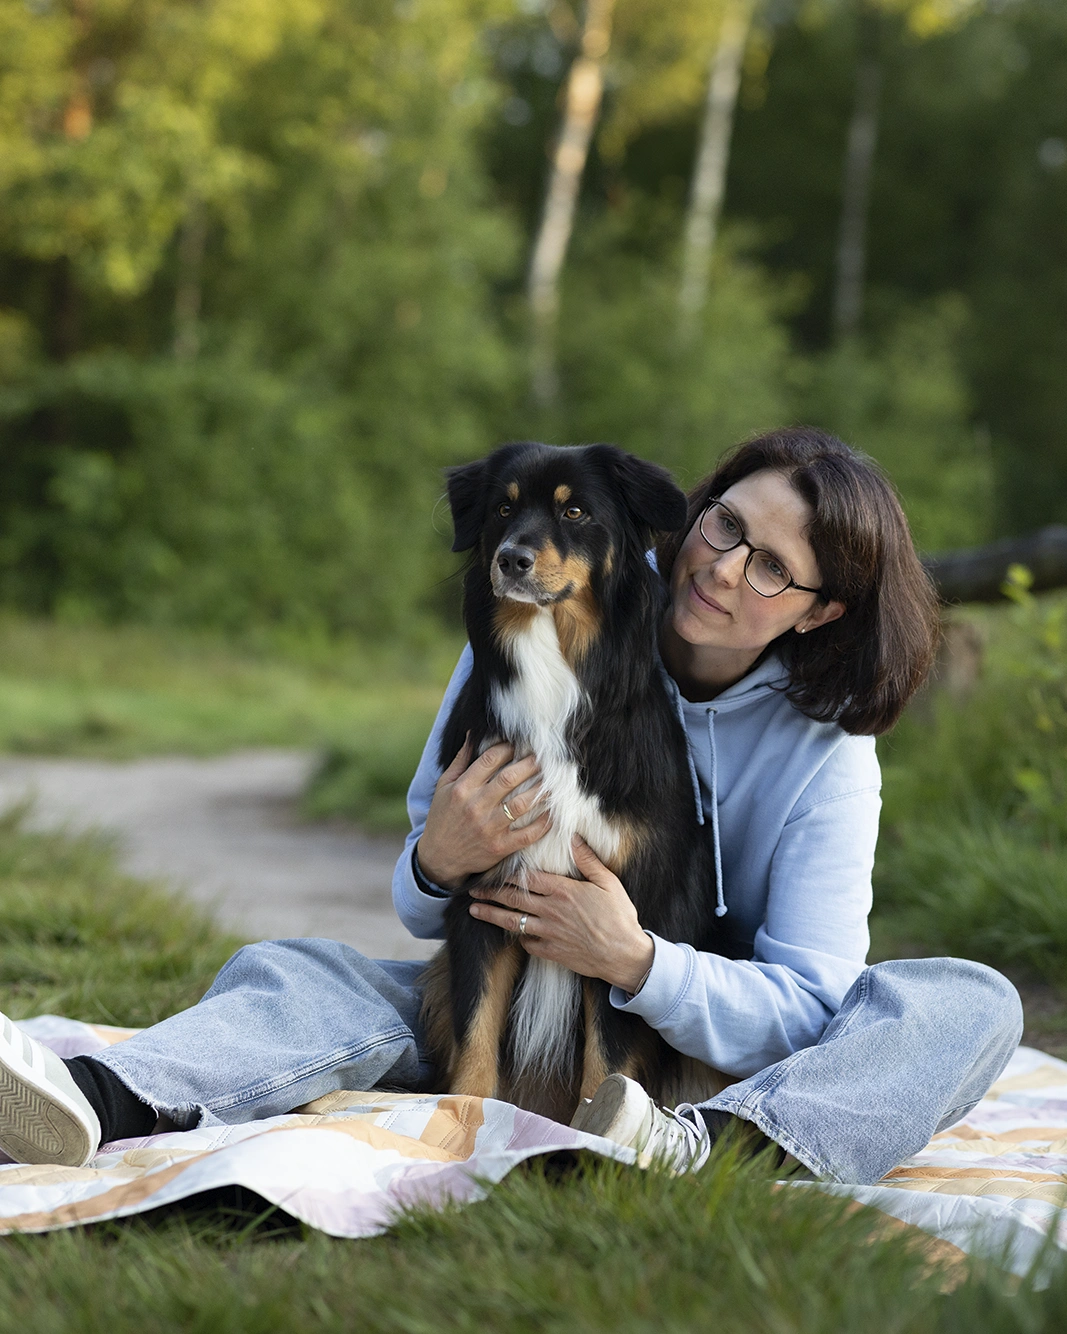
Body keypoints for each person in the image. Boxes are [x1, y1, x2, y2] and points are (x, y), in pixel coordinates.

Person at [0, 428, 1022, 1183]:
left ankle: (697, 1149)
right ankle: (100, 1094)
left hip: (694, 1049)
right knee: (306, 969)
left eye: (771, 567)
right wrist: (437, 857)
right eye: (723, 524)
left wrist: (636, 959)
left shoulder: (825, 753)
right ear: (694, 509)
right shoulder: (546, 609)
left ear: (819, 608)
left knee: (964, 1002)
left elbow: (806, 997)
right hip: (505, 992)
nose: (718, 567)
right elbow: (420, 893)